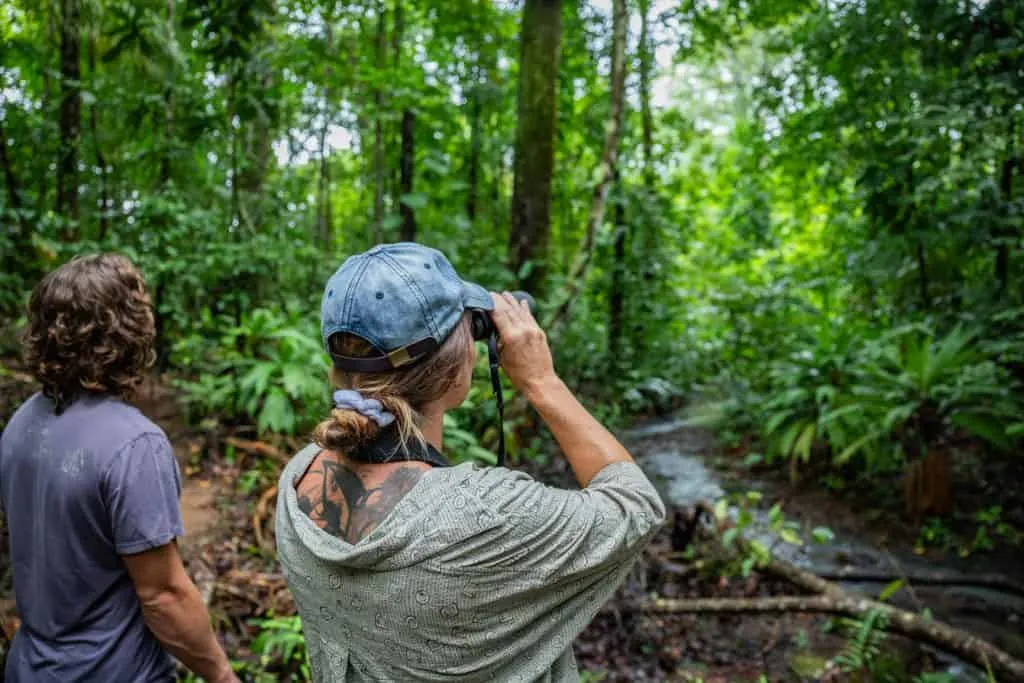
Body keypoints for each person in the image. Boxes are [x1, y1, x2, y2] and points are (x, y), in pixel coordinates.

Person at [275, 242, 666, 681]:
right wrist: (541, 381)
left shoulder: (296, 483)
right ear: (456, 368)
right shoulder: (485, 514)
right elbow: (636, 504)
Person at [0, 254, 238, 683]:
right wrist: (222, 674)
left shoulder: (20, 423)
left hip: (29, 667)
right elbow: (164, 595)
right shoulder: (134, 444)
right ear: (129, 334)